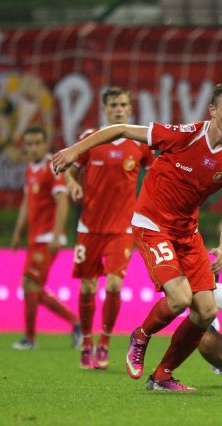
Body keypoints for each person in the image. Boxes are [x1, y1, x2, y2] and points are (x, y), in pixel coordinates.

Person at [52, 82, 222, 391]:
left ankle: (162, 376)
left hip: (188, 232)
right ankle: (141, 336)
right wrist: (73, 151)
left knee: (206, 312)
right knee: (179, 298)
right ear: (212, 111)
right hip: (151, 223)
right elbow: (120, 130)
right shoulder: (186, 134)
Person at [64, 87, 155, 369]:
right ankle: (87, 343)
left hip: (122, 228)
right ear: (104, 109)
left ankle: (104, 342)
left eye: (123, 104)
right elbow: (71, 167)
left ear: (129, 109)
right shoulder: (90, 139)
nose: (118, 109)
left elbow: (155, 173)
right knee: (88, 287)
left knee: (114, 283)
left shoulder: (139, 144)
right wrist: (72, 183)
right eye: (113, 104)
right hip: (89, 226)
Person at [10, 126, 81, 350]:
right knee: (33, 287)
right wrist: (18, 231)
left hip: (48, 236)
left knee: (29, 283)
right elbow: (26, 202)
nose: (33, 148)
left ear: (45, 144)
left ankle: (30, 339)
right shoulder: (30, 169)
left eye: (37, 143)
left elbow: (62, 201)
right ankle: (76, 323)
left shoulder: (53, 167)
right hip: (35, 237)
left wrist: (58, 234)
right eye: (29, 144)